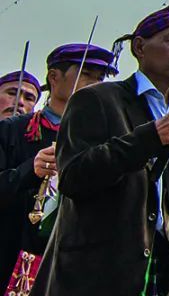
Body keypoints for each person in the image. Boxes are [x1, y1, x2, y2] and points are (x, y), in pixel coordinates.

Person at [31, 6, 169, 296]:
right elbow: (74, 176)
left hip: (158, 273)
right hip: (95, 274)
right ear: (140, 47)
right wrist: (149, 138)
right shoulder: (96, 99)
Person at [0, 44, 115, 293]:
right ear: (54, 77)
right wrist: (29, 170)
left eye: (101, 78)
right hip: (12, 259)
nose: (95, 84)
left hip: (74, 269)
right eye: (86, 73)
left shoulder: (104, 142)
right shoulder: (14, 130)